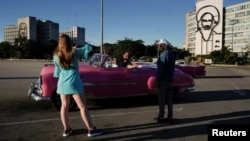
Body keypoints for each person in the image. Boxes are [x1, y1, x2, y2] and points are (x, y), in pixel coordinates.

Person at [53, 34, 103, 137]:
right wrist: (80, 45)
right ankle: (91, 129)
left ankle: (67, 130)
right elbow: (88, 47)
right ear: (69, 42)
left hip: (62, 82)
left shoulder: (56, 55)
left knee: (64, 106)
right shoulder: (74, 52)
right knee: (82, 106)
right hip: (74, 80)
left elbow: (57, 72)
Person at [156, 38, 175, 124]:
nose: (158, 47)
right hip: (169, 79)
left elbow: (161, 70)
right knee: (169, 100)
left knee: (162, 100)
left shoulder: (163, 55)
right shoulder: (171, 54)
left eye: (160, 45)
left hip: (163, 80)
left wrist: (158, 80)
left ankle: (161, 117)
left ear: (164, 45)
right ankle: (170, 117)